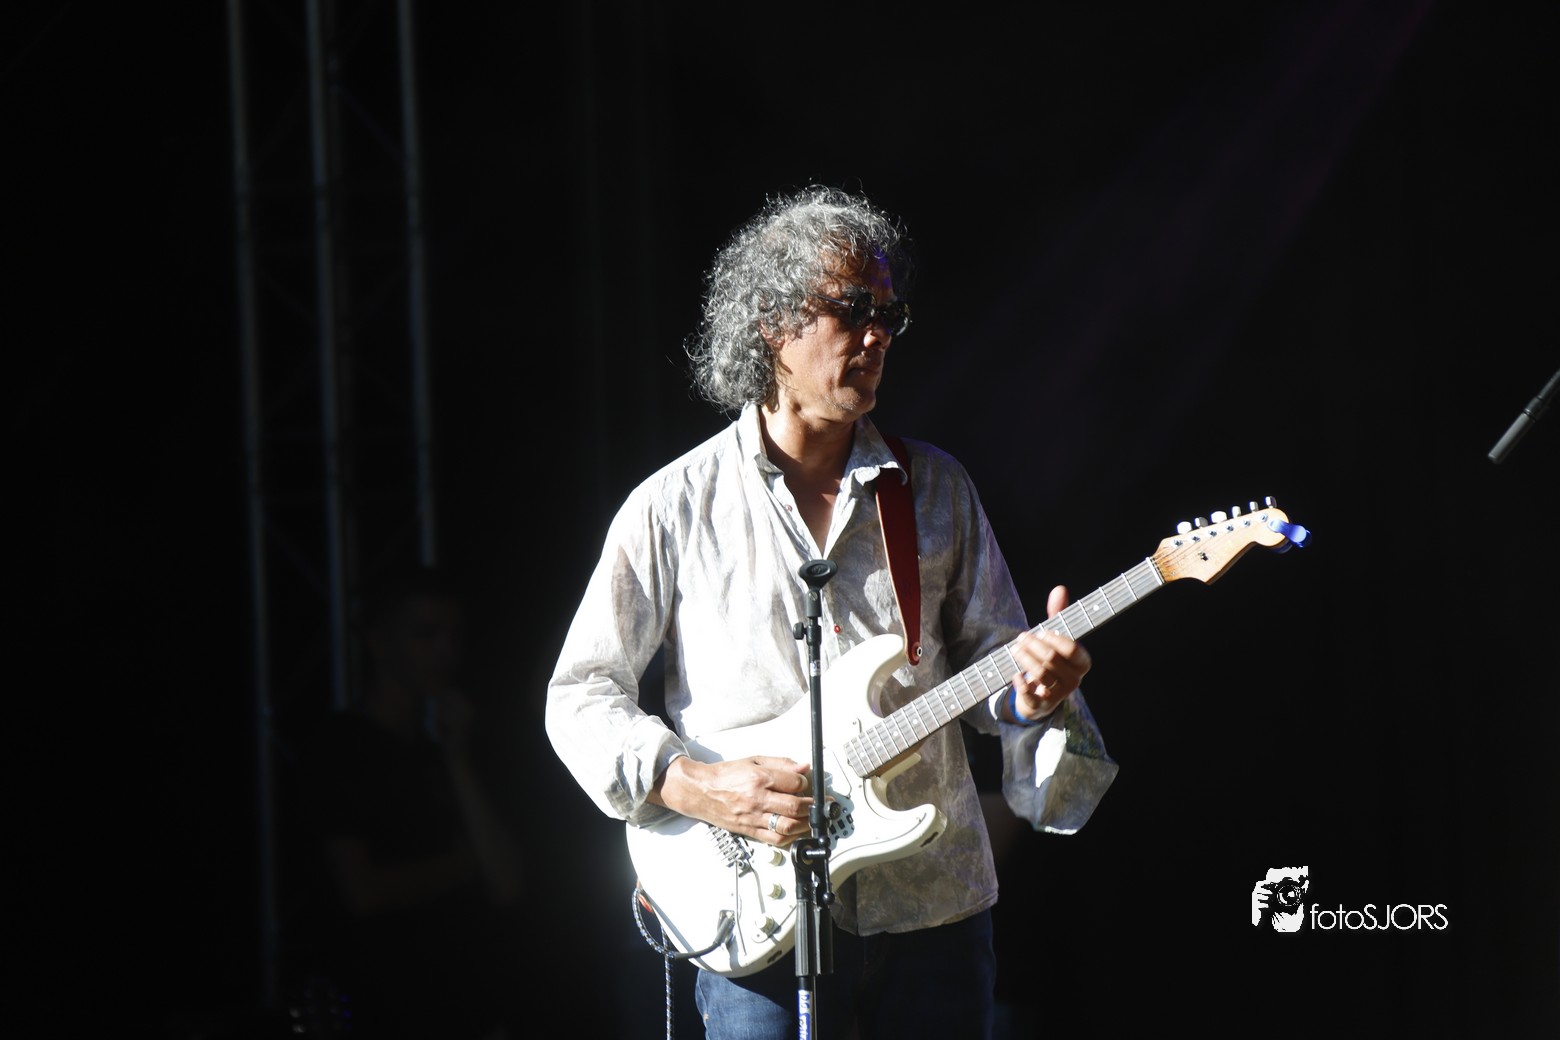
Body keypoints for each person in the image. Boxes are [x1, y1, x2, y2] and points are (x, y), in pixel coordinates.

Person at [545, 185, 1117, 1039]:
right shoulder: (673, 505)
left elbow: (995, 673)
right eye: (853, 309)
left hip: (932, 910)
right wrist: (694, 784)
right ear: (773, 323)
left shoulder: (935, 489)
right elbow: (580, 695)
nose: (877, 334)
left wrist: (1032, 696)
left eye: (890, 315)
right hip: (753, 916)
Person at [303, 565, 528, 1040]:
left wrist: (457, 757)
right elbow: (362, 892)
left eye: (453, 636)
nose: (445, 651)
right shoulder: (342, 747)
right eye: (426, 635)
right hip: (383, 1005)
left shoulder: (446, 749)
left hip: (465, 1005)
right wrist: (466, 864)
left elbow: (508, 881)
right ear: (379, 642)